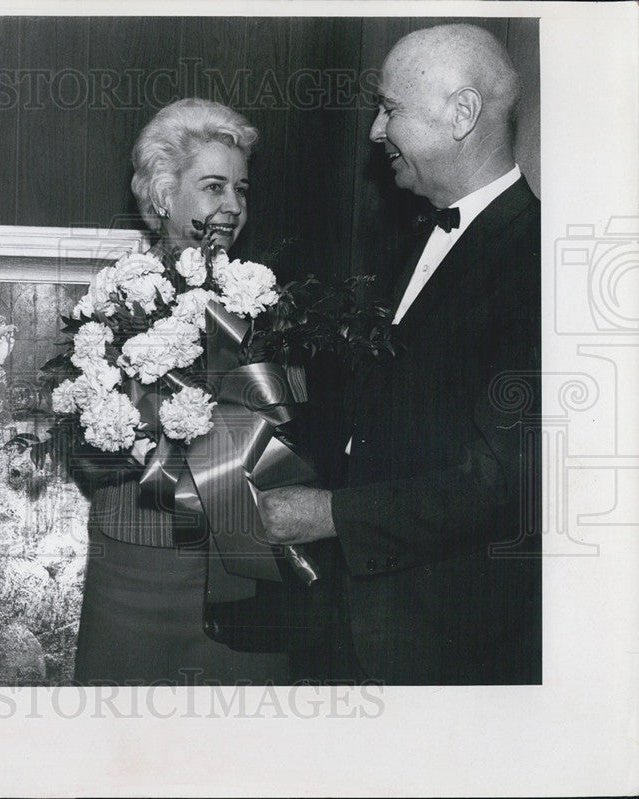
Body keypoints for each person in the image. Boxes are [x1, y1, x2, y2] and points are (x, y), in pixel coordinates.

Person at [259, 24, 542, 685]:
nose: (375, 133)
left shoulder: (542, 262)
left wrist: (330, 513)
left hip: (450, 645)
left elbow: (506, 483)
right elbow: (374, 418)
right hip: (352, 624)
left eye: (390, 109)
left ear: (462, 113)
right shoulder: (409, 246)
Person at [73, 98, 289, 685]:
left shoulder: (265, 302)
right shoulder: (111, 303)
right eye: (214, 186)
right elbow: (85, 453)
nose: (232, 207)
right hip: (139, 568)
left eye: (241, 190)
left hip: (246, 566)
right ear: (164, 196)